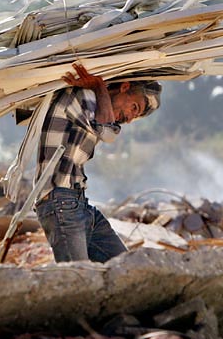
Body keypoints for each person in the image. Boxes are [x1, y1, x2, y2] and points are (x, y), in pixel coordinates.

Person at [34, 63, 162, 263]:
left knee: (125, 266)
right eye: (133, 107)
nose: (128, 118)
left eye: (134, 117)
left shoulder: (96, 104)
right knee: (78, 277)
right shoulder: (84, 97)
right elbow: (108, 132)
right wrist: (100, 86)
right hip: (59, 200)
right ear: (125, 87)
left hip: (77, 203)